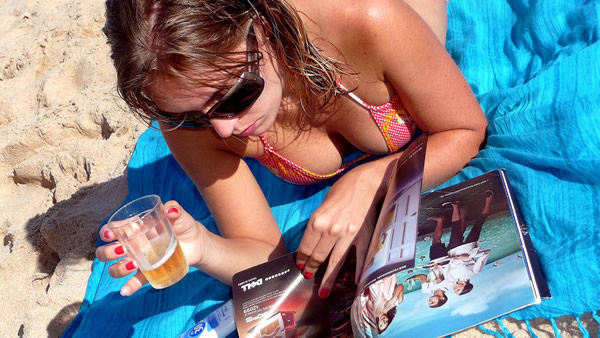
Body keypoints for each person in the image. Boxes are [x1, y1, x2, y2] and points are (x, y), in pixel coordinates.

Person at [95, 0, 487, 298]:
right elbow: (265, 254)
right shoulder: (186, 117)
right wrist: (202, 247)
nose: (223, 127)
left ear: (260, 27)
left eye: (235, 94)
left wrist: (370, 181)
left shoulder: (366, 20)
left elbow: (466, 129)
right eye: (195, 114)